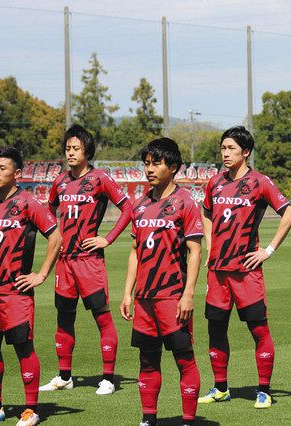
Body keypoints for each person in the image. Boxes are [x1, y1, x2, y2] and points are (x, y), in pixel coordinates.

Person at [198, 126, 291, 409]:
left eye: (231, 148)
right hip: (218, 272)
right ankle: (220, 388)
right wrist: (210, 245)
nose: (225, 153)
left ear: (246, 152)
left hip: (246, 271)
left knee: (258, 330)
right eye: (223, 148)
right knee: (216, 329)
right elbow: (206, 213)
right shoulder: (214, 183)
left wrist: (268, 251)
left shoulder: (260, 182)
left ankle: (264, 390)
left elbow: (289, 214)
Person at [0, 146, 61, 426]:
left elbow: (56, 237)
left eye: (2, 168)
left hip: (16, 293)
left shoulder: (29, 203)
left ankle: (31, 410)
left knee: (23, 348)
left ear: (17, 173)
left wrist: (41, 274)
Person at [40, 124, 132, 395]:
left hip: (89, 261)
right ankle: (64, 376)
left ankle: (108, 379)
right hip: (64, 262)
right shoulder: (60, 181)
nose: (70, 153)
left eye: (76, 148)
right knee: (64, 318)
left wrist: (107, 238)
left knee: (102, 318)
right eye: (68, 148)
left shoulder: (100, 179)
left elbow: (128, 208)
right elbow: (48, 210)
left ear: (87, 152)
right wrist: (53, 236)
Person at [120, 138, 202, 426]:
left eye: (156, 163)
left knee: (184, 359)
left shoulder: (185, 202)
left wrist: (188, 294)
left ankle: (188, 420)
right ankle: (148, 419)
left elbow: (195, 251)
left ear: (174, 167)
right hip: (144, 299)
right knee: (147, 360)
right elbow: (134, 251)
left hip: (172, 297)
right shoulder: (139, 205)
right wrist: (127, 293)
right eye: (146, 163)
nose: (149, 169)